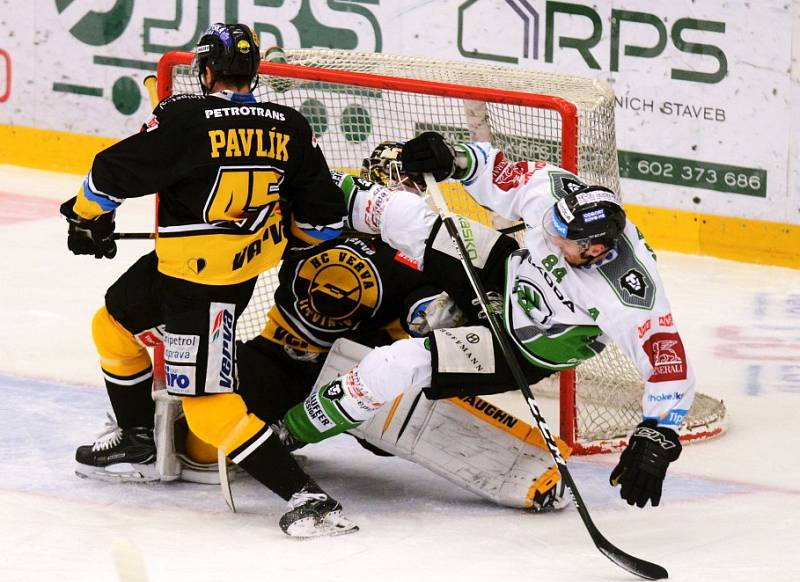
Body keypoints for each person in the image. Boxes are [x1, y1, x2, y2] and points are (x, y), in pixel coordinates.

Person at [278, 131, 695, 511]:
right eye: (551, 227)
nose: (549, 236)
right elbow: (497, 174)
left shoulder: (630, 293)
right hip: (505, 275)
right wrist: (452, 158)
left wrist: (658, 433)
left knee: (397, 364)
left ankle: (290, 433)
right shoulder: (556, 195)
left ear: (594, 249)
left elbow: (668, 367)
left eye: (560, 239)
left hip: (519, 347)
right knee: (404, 213)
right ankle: (290, 187)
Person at [59, 24, 348, 533]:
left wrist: (87, 219)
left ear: (205, 70)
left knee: (208, 411)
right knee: (112, 323)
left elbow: (109, 175)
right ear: (254, 72)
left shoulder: (186, 117)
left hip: (199, 293)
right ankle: (136, 439)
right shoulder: (291, 125)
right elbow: (324, 224)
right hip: (215, 276)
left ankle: (308, 498)